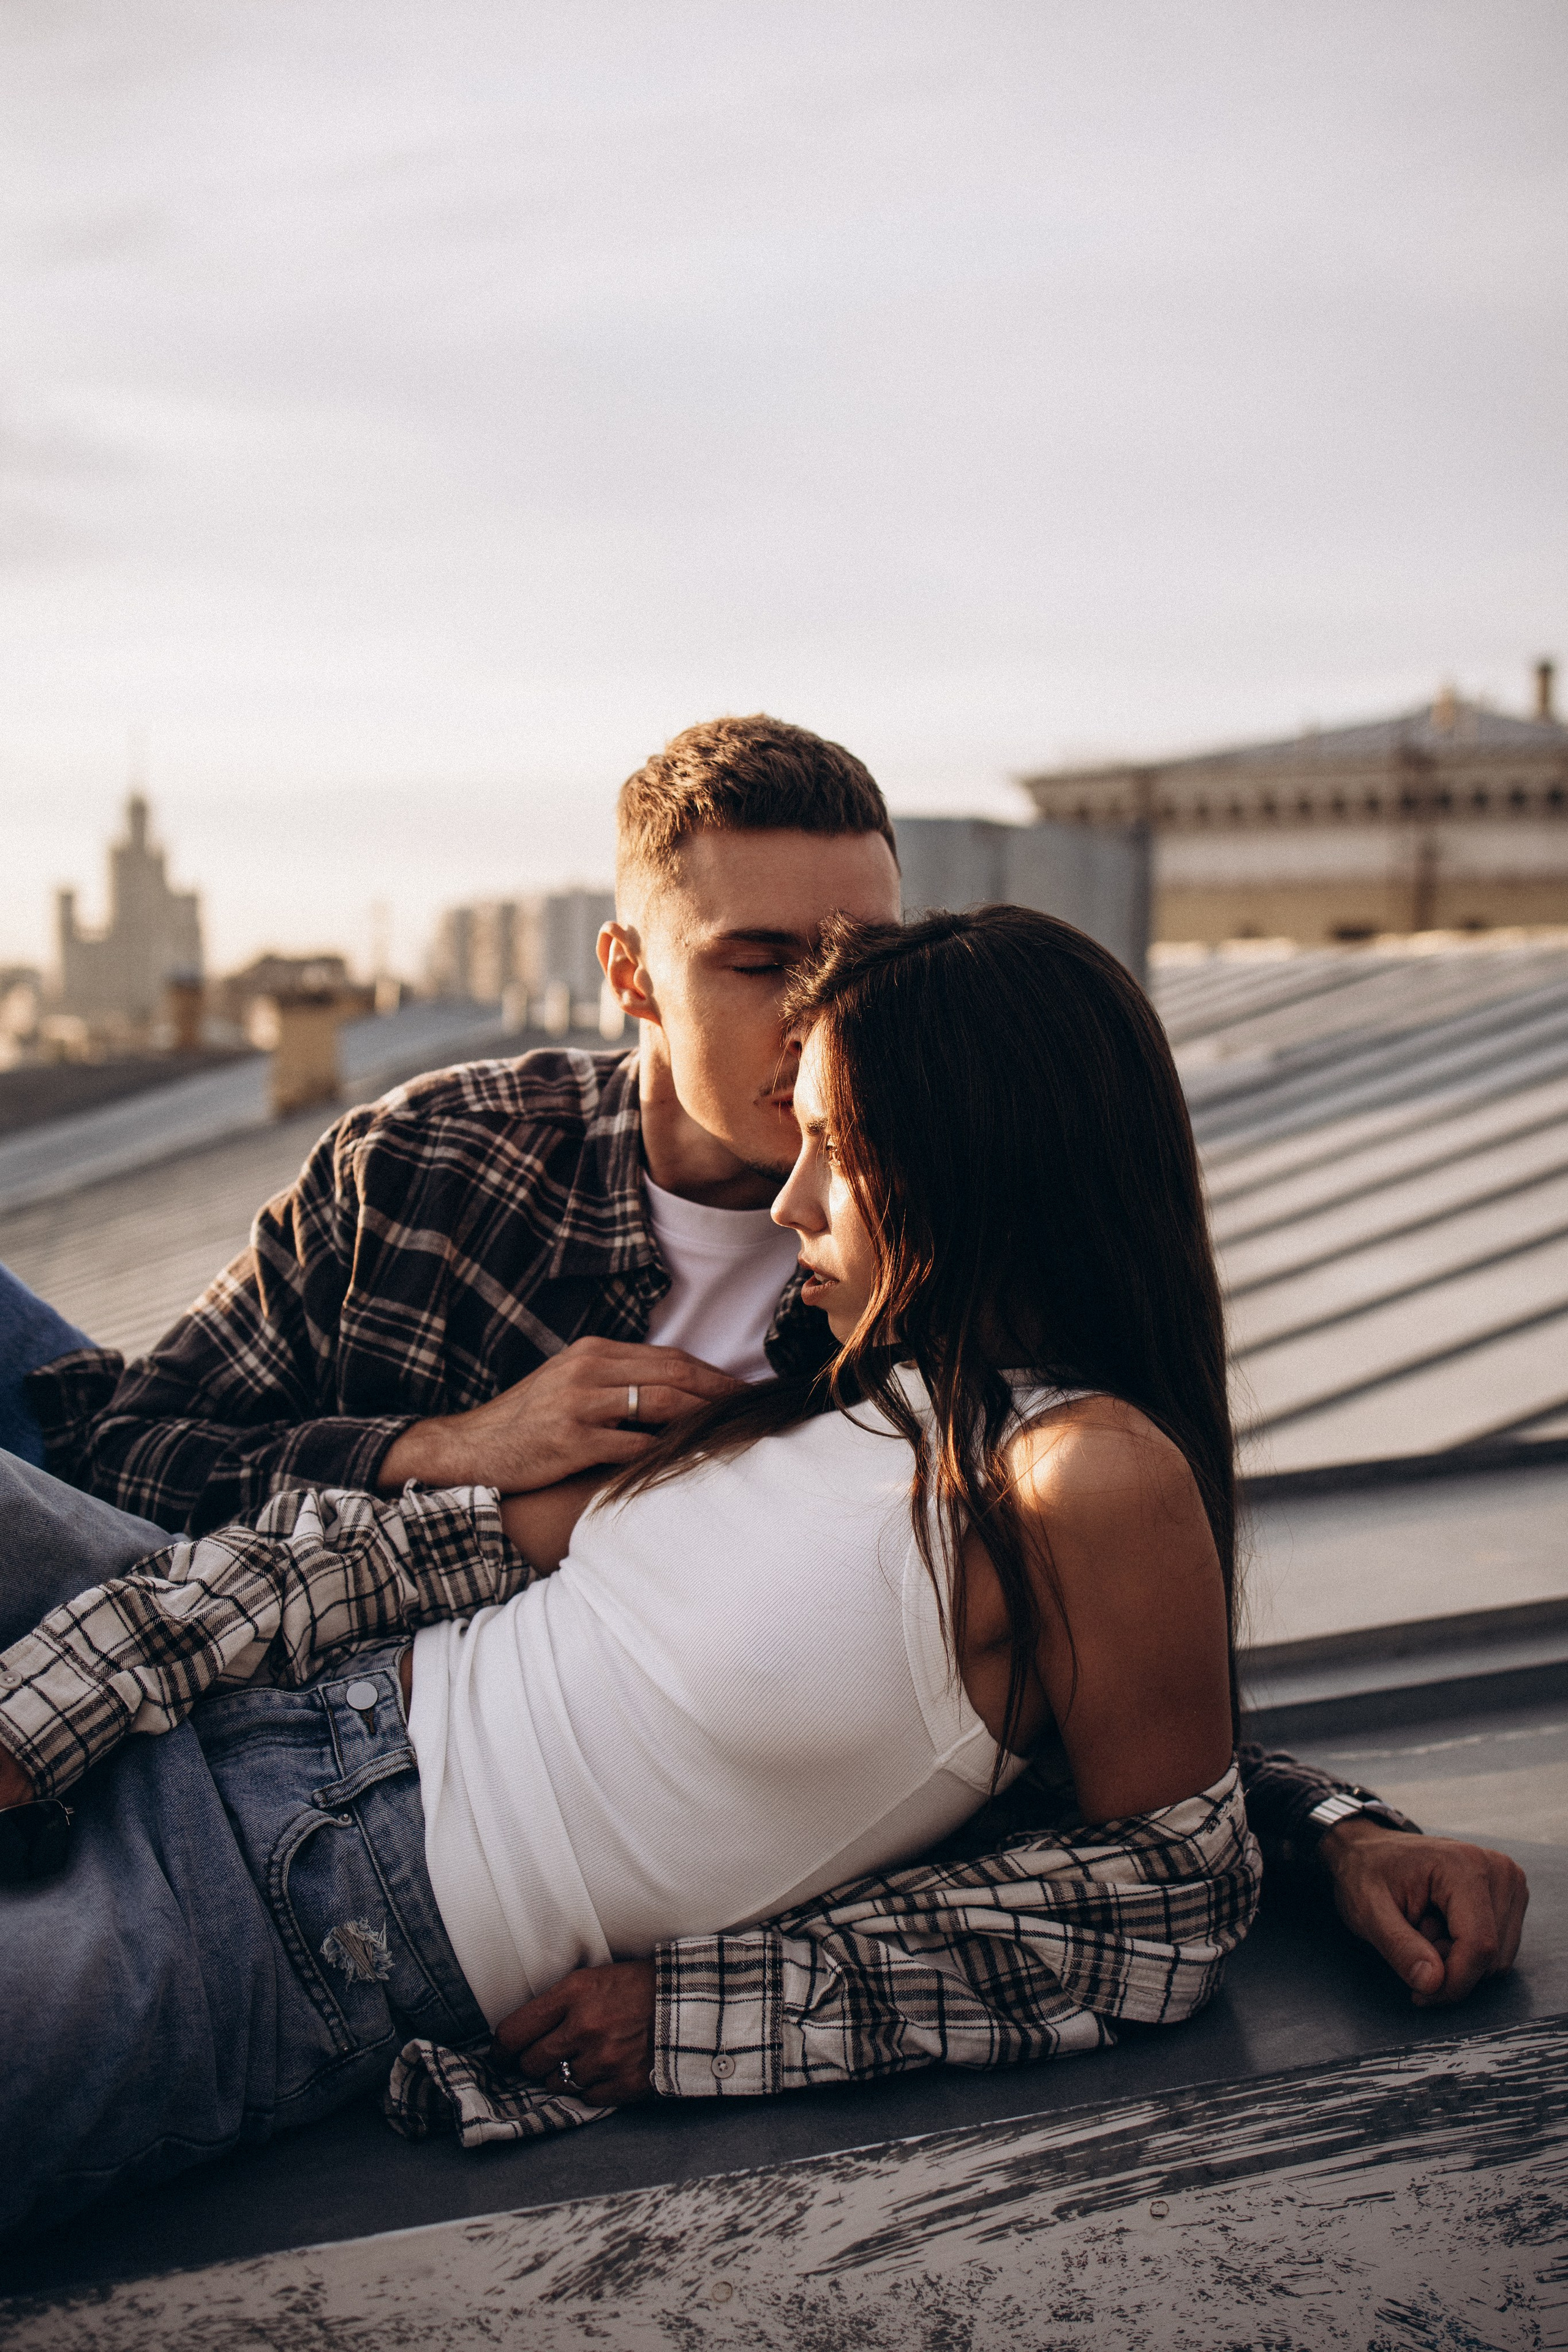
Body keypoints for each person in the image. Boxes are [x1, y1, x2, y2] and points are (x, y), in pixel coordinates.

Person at [4, 717, 1526, 2095]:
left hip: (360, 1888)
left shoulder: (895, 1350)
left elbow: (1075, 1724)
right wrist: (446, 1448)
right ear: (626, 974)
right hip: (214, 1628)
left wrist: (1330, 1831)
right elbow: (124, 1455)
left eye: (859, 954)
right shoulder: (444, 1159)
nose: (818, 1006)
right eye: (759, 959)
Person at [3, 905, 1254, 2235]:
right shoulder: (843, 1398)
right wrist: (52, 1703)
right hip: (224, 1686)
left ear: (981, 1154)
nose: (790, 1200)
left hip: (291, 1924)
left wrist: (712, 2015)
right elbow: (415, 1551)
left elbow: (1166, 1892)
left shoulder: (1080, 1475)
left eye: (835, 1147)